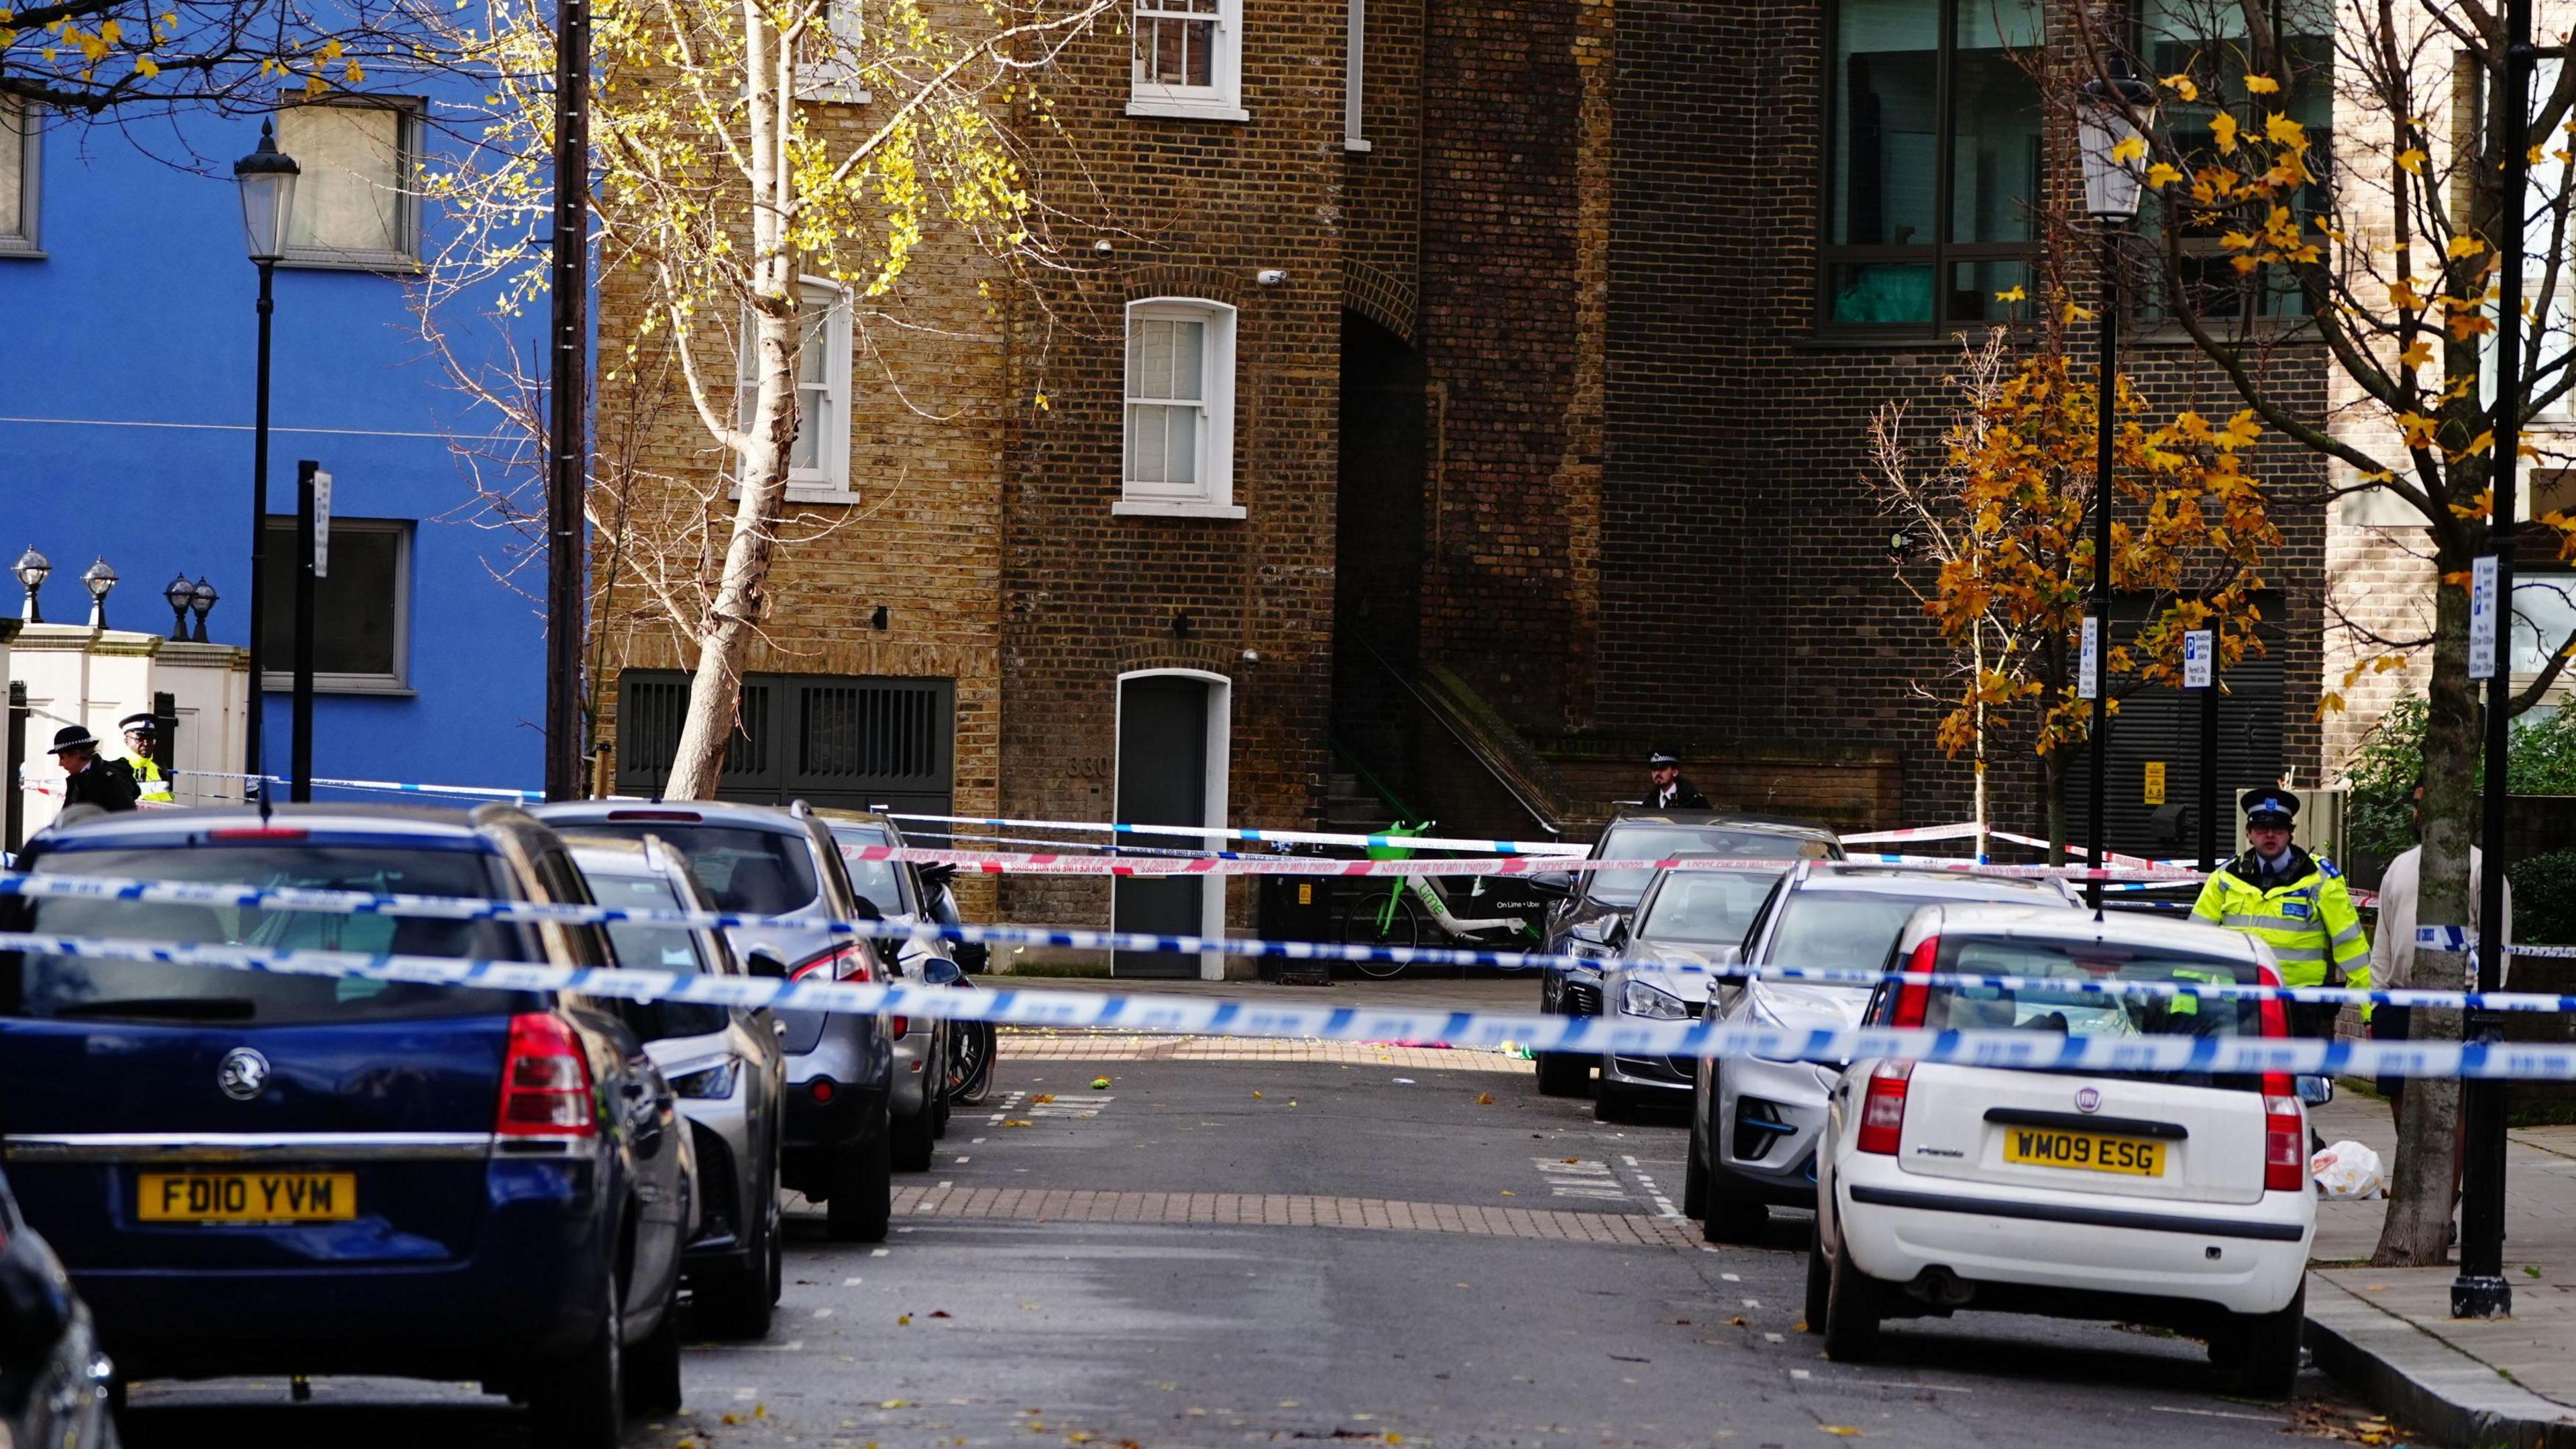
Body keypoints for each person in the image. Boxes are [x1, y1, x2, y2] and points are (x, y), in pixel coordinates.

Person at [2369, 784, 2509, 1129]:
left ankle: (2450, 1186)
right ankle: (2413, 1183)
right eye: (2417, 804)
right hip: (2399, 1000)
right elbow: (2383, 942)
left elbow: (2497, 946)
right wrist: (2376, 1004)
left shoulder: (2482, 869)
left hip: (2458, 1002)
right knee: (2398, 1095)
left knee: (2451, 1106)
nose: (2421, 812)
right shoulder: (2399, 867)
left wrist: (2481, 1006)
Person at [2190, 785, 2371, 1042]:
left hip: (2299, 1006)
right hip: (2239, 1006)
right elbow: (2197, 943)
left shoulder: (2319, 879)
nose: (2270, 835)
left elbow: (2352, 948)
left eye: (2279, 828)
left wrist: (2370, 1011)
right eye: (2262, 829)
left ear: (2290, 834)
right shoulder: (2226, 878)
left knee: (2300, 1082)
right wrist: (2184, 1008)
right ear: (2250, 833)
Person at [49, 726, 141, 813]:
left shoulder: (109, 779)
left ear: (77, 754)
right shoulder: (76, 780)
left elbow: (124, 818)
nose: (60, 763)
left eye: (62, 757)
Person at [117, 711, 176, 805]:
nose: (146, 743)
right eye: (140, 738)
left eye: (150, 738)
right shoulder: (119, 770)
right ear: (126, 741)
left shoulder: (157, 768)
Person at [1646, 750, 1711, 811]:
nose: (1657, 773)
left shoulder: (1692, 799)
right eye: (1654, 770)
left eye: (1662, 769)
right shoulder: (1651, 799)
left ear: (1675, 772)